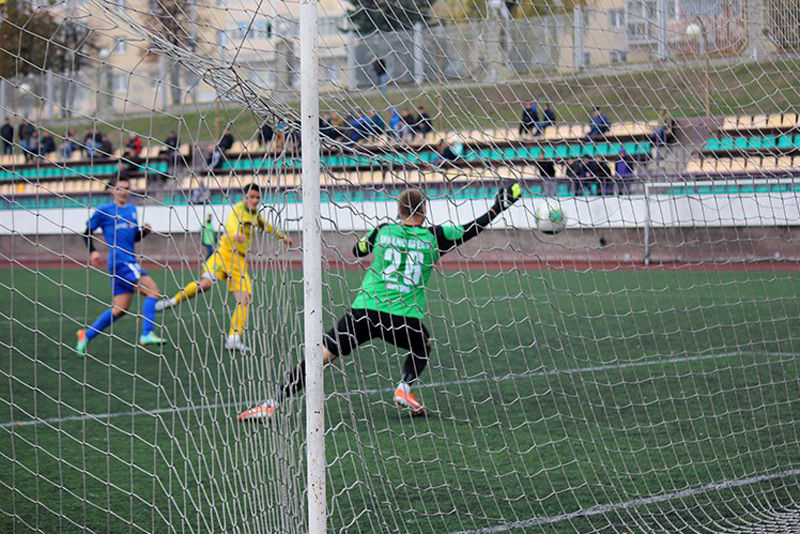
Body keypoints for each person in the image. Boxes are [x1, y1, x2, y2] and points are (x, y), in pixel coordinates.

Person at [237, 183, 524, 421]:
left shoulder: (384, 230)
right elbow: (471, 229)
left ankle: (272, 403)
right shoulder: (435, 236)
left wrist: (371, 244)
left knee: (320, 357)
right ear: (424, 211)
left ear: (399, 211)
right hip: (403, 317)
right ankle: (404, 387)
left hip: (365, 310)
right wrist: (497, 208)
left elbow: (357, 250)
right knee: (423, 344)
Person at [156, 183, 292, 351]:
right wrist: (235, 234)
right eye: (251, 197)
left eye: (257, 197)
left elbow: (266, 226)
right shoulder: (238, 210)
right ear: (244, 197)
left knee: (245, 299)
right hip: (224, 255)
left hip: (239, 262)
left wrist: (283, 237)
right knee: (205, 285)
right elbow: (231, 224)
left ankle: (233, 339)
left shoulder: (256, 214)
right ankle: (173, 301)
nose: (255, 200)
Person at [75, 175, 166, 356]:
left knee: (120, 309)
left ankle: (86, 335)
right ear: (112, 190)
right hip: (121, 261)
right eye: (120, 188)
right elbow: (87, 232)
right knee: (153, 292)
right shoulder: (104, 211)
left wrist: (144, 232)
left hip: (125, 261)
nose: (124, 192)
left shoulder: (132, 210)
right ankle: (147, 333)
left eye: (126, 188)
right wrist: (93, 251)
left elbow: (134, 238)